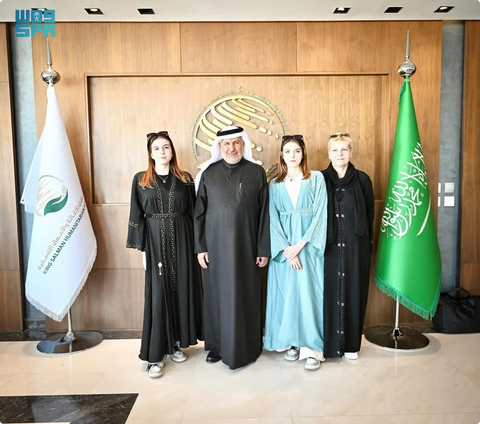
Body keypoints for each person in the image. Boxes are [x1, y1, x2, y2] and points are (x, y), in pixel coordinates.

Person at [127, 131, 203, 378]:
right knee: (158, 296)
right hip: (155, 244)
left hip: (183, 243)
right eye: (157, 148)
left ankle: (175, 344)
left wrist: (198, 247)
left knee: (180, 292)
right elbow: (136, 214)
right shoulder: (141, 180)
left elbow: (194, 214)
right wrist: (142, 249)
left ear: (172, 151)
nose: (162, 152)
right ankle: (155, 356)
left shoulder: (185, 179)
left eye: (166, 147)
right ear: (150, 153)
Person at [194, 125, 270, 370]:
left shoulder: (257, 173)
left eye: (236, 142)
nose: (232, 148)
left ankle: (248, 346)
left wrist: (263, 249)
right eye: (226, 144)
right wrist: (201, 247)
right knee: (217, 298)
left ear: (243, 144)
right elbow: (199, 214)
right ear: (219, 147)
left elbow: (264, 214)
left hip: (247, 249)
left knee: (245, 296)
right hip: (215, 249)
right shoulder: (208, 174)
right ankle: (217, 346)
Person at [263, 134, 328, 371]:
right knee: (286, 294)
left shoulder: (316, 178)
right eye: (288, 151)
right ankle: (291, 342)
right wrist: (286, 250)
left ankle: (311, 348)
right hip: (284, 251)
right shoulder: (274, 185)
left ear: (303, 153)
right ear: (281, 154)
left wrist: (299, 246)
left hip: (308, 248)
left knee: (309, 295)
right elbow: (272, 219)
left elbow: (321, 214)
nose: (292, 155)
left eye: (297, 151)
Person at [321, 132, 374, 360]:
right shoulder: (320, 179)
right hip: (328, 247)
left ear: (351, 152)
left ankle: (352, 345)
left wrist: (366, 246)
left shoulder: (362, 180)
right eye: (335, 150)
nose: (339, 154)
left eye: (344, 150)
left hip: (355, 248)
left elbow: (370, 215)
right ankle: (328, 345)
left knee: (354, 291)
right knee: (328, 293)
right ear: (329, 154)